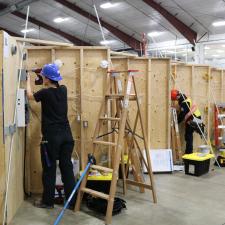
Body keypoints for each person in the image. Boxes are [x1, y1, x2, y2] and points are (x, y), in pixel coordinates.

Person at [27, 63, 76, 209]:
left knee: (49, 170)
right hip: (67, 137)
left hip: (51, 138)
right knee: (67, 169)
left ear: (47, 79)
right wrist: (43, 74)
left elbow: (30, 96)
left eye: (44, 77)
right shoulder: (64, 90)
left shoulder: (44, 93)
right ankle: (72, 202)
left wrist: (28, 80)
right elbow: (52, 85)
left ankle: (48, 202)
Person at [171, 89, 205, 154]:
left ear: (177, 97)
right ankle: (189, 153)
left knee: (188, 136)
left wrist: (176, 123)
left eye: (175, 99)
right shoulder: (186, 100)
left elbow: (182, 115)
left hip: (194, 119)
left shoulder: (184, 103)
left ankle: (188, 154)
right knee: (188, 135)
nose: (176, 101)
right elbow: (184, 111)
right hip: (195, 118)